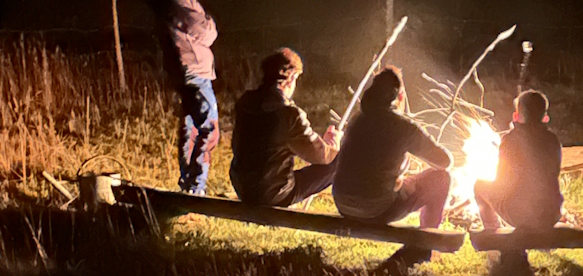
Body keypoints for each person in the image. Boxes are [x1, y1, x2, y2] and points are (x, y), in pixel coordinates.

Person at [333, 66, 453, 259]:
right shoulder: (403, 126)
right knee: (442, 179)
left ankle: (421, 247)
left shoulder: (357, 120)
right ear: (399, 96)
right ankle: (423, 248)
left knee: (405, 183)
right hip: (375, 210)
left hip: (343, 204)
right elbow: (445, 161)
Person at [230, 47, 343, 207]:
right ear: (291, 78)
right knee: (340, 161)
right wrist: (332, 144)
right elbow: (321, 157)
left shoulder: (245, 102)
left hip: (242, 187)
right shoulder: (289, 114)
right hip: (271, 193)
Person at [474, 90, 563, 270]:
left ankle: (496, 243)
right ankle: (508, 244)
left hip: (521, 214)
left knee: (479, 187)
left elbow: (502, 182)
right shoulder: (552, 139)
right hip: (551, 213)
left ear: (517, 114)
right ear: (545, 116)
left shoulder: (510, 140)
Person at [159, 0, 221, 195]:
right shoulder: (183, 3)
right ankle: (196, 186)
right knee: (208, 129)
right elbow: (207, 32)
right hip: (195, 70)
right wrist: (209, 21)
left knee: (190, 128)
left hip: (182, 70)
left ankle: (188, 183)